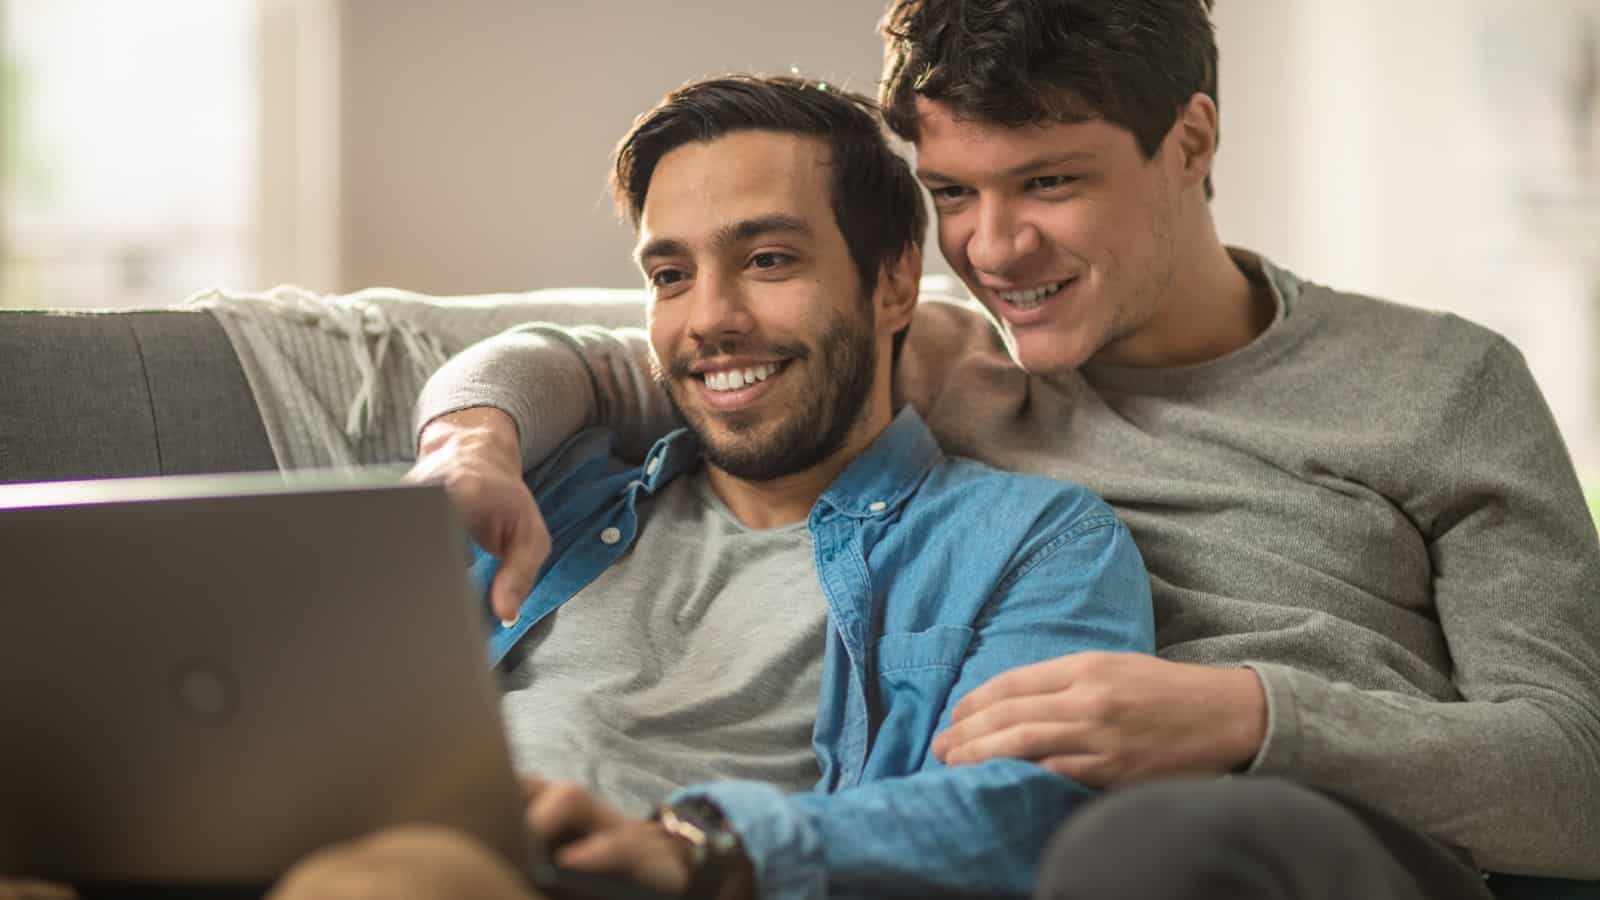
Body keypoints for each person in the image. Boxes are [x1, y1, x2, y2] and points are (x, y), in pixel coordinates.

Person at [403, 2, 1600, 899]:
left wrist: (1242, 715)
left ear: (1189, 142)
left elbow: (1576, 775)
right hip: (1037, 829)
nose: (993, 248)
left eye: (1048, 182)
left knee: (1147, 843)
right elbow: (605, 356)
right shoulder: (928, 355)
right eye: (953, 195)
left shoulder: (1442, 381)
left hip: (1310, 832)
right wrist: (470, 440)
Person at [276, 74, 1151, 900]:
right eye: (670, 276)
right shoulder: (551, 493)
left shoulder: (1032, 539)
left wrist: (697, 846)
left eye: (768, 260)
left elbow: (1025, 813)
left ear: (891, 283)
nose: (710, 320)